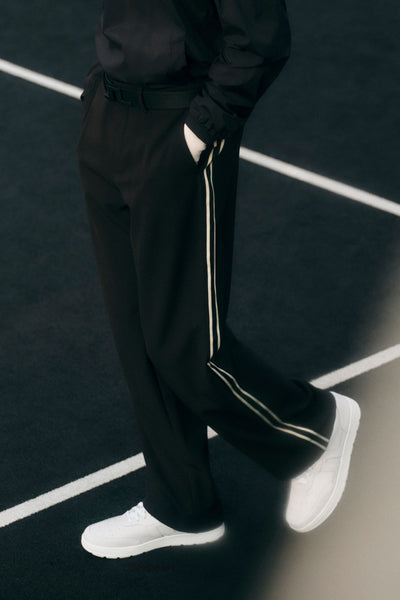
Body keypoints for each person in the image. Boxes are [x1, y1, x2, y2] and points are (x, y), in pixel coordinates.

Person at [77, 0, 361, 560]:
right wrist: (97, 93)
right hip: (108, 116)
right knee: (137, 337)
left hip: (177, 128)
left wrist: (199, 130)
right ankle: (183, 505)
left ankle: (314, 429)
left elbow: (261, 39)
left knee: (185, 342)